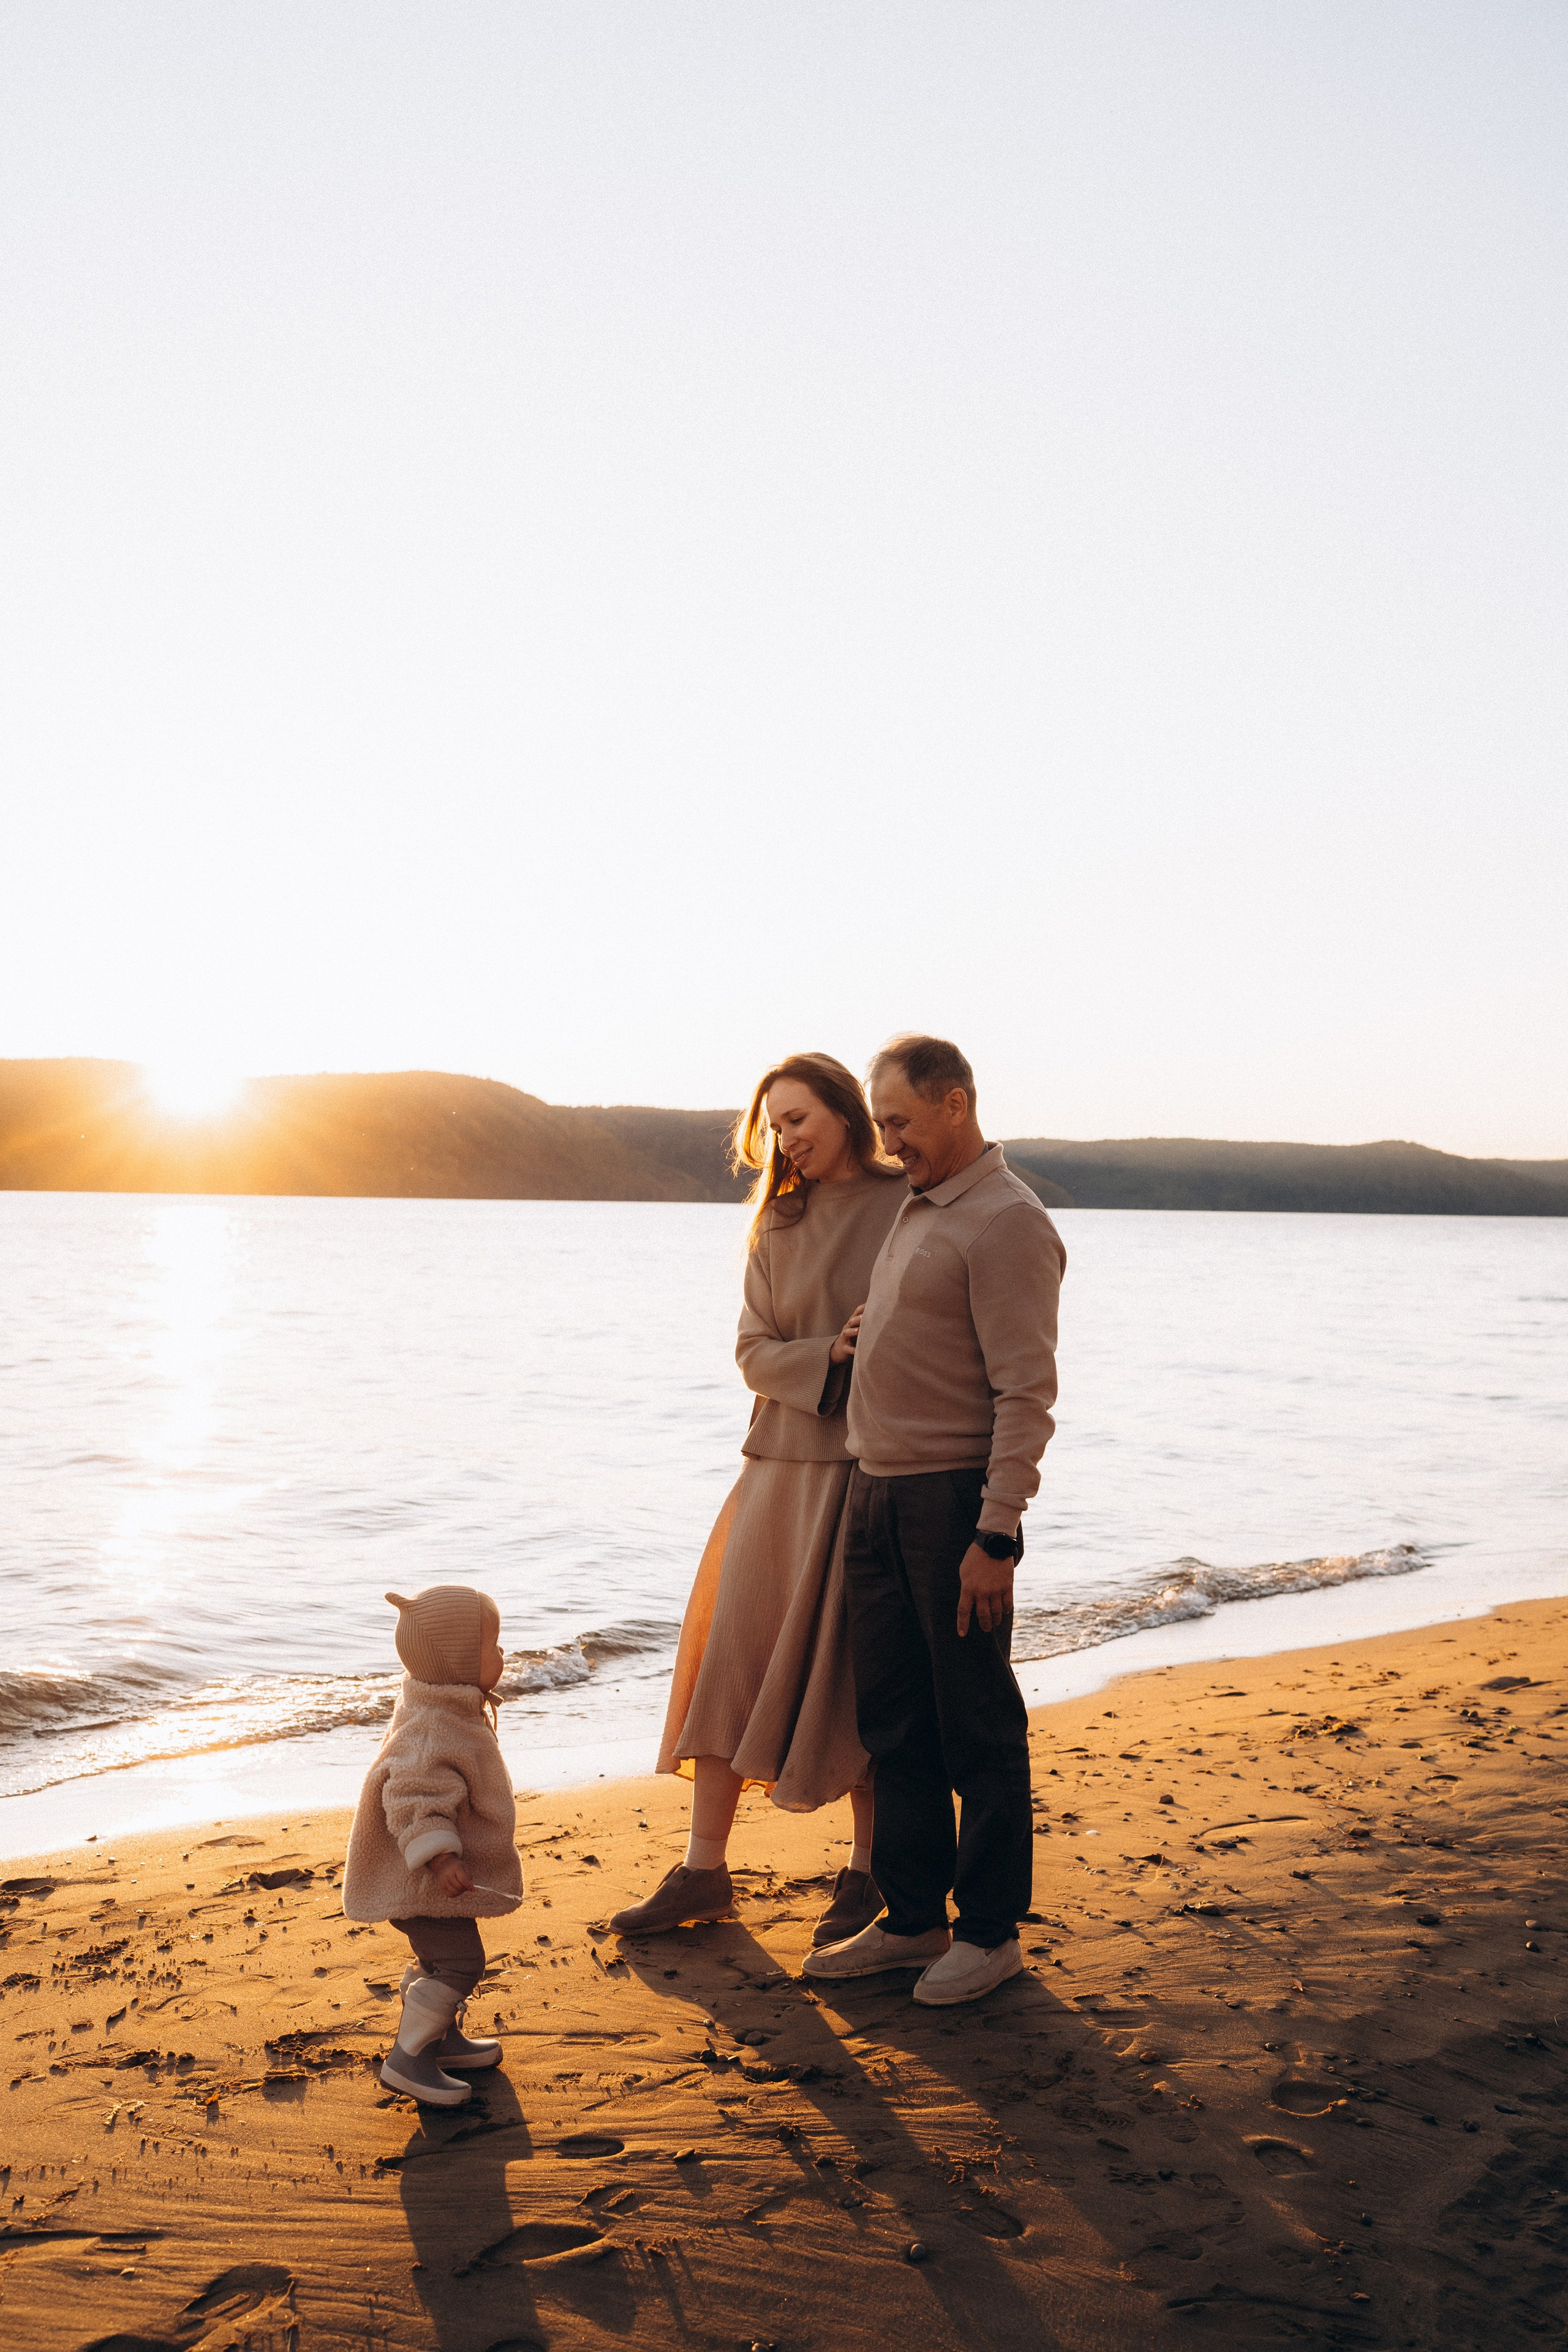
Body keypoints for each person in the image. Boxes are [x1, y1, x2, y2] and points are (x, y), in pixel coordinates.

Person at [609, 1052, 906, 1945]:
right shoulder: (776, 1219)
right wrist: (831, 1353)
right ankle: (703, 1871)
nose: (787, 1139)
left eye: (800, 1119)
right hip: (776, 1465)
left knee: (851, 1675)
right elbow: (750, 1350)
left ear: (847, 1115)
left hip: (868, 1468)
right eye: (775, 1124)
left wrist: (874, 1350)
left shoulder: (907, 1206)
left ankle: (866, 1877)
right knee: (730, 1658)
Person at [804, 1035, 1065, 2008]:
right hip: (875, 1493)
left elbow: (1026, 1394)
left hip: (953, 1505)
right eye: (882, 1122)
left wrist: (996, 1535)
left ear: (955, 1103)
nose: (890, 1140)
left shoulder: (1007, 1222)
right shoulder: (921, 1206)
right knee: (895, 1720)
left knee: (977, 1727)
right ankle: (915, 1919)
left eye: (901, 1121)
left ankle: (990, 1934)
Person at [343, 1583, 523, 2106]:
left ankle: (441, 2041)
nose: (502, 1654)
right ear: (459, 1659)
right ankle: (409, 2059)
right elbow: (413, 1798)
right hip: (420, 1877)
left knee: (440, 1958)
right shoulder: (430, 1728)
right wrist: (441, 1858)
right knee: (460, 1964)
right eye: (493, 1645)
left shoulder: (449, 1707)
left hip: (431, 1881)